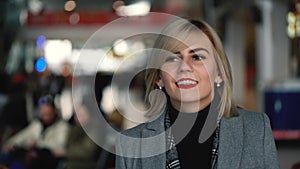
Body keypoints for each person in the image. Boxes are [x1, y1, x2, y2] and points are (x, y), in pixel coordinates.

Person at [115, 18, 280, 169]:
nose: (185, 67)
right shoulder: (131, 145)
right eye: (173, 59)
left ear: (219, 73)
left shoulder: (256, 129)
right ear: (159, 77)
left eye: (197, 57)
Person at [0, 94, 69, 169]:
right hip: (31, 155)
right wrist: (11, 143)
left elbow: (60, 146)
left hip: (48, 159)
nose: (44, 114)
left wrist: (37, 145)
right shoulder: (37, 124)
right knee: (7, 154)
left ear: (54, 110)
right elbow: (22, 136)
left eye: (47, 113)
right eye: (43, 112)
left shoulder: (62, 126)